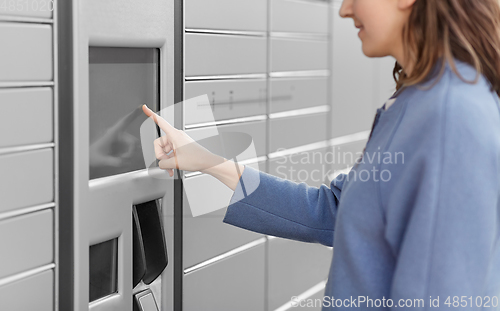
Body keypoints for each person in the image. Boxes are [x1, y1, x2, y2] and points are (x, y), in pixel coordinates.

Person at [142, 0, 500, 309]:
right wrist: (205, 161)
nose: (344, 10)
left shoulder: (451, 117)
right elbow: (333, 212)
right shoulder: (415, 102)